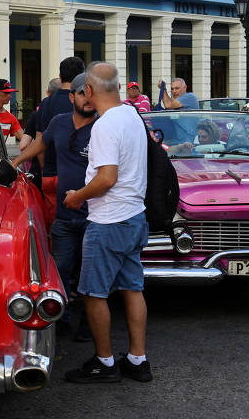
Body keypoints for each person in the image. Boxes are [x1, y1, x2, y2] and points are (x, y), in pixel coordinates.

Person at [63, 61, 152, 384]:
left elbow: (106, 178)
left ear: (87, 91)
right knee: (133, 287)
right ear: (117, 86)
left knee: (93, 293)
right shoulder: (131, 115)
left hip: (108, 220)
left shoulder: (104, 125)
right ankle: (137, 360)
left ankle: (104, 362)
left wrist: (77, 196)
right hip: (134, 217)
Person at [11, 73, 97, 339]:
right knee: (60, 268)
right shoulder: (59, 123)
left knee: (90, 273)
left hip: (94, 215)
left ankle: (87, 322)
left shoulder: (102, 128)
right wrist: (14, 164)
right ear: (72, 96)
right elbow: (40, 143)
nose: (87, 99)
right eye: (82, 93)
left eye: (91, 94)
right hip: (63, 215)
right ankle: (61, 318)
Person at [37, 57, 86, 225]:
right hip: (78, 175)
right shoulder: (86, 103)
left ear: (60, 76)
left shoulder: (46, 103)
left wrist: (45, 168)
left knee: (54, 225)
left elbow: (40, 139)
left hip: (50, 172)